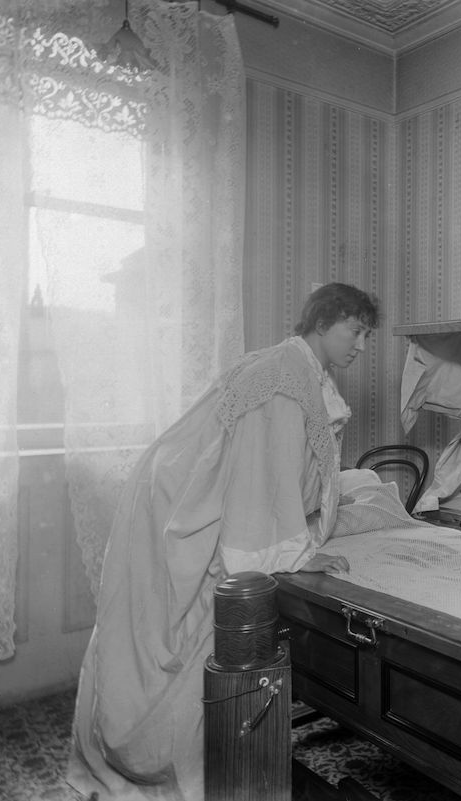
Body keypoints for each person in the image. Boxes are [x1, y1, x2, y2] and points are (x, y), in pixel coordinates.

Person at [68, 283, 383, 801]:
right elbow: (263, 480)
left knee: (163, 637)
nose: (362, 345)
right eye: (356, 330)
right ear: (323, 323)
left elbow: (278, 473)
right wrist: (295, 556)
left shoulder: (295, 369)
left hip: (173, 491)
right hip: (177, 505)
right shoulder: (285, 378)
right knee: (189, 638)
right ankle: (185, 776)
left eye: (367, 334)